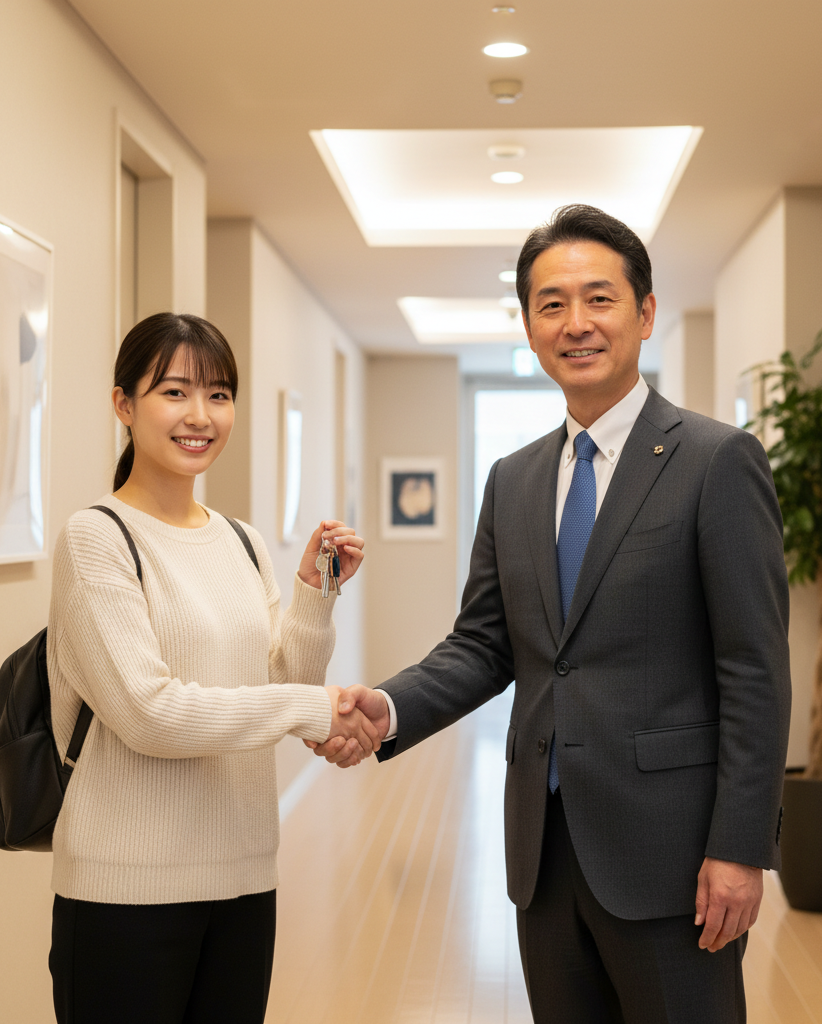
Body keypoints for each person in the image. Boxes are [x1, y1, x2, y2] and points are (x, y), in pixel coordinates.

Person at [313, 206, 792, 1023]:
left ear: (644, 313)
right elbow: (484, 645)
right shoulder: (514, 479)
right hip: (545, 850)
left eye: (599, 300)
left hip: (672, 855)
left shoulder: (716, 461)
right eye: (552, 304)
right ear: (531, 326)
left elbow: (754, 668)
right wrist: (387, 707)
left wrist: (739, 848)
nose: (576, 324)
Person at [46, 312, 376, 1024]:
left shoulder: (241, 540)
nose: (201, 416)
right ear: (123, 405)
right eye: (174, 392)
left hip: (244, 875)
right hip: (124, 893)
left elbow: (281, 682)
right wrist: (317, 710)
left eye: (219, 394)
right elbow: (149, 714)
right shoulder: (96, 539)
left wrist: (315, 595)